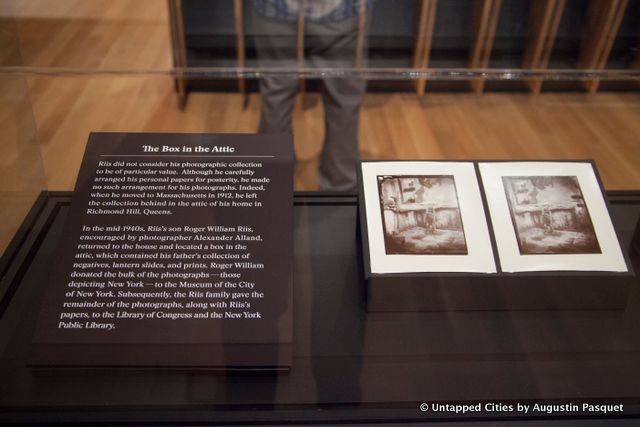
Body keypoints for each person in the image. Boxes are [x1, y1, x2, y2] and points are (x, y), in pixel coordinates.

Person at [252, 0, 370, 191]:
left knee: (276, 94)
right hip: (343, 9)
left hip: (274, 7)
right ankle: (340, 189)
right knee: (343, 98)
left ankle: (271, 182)